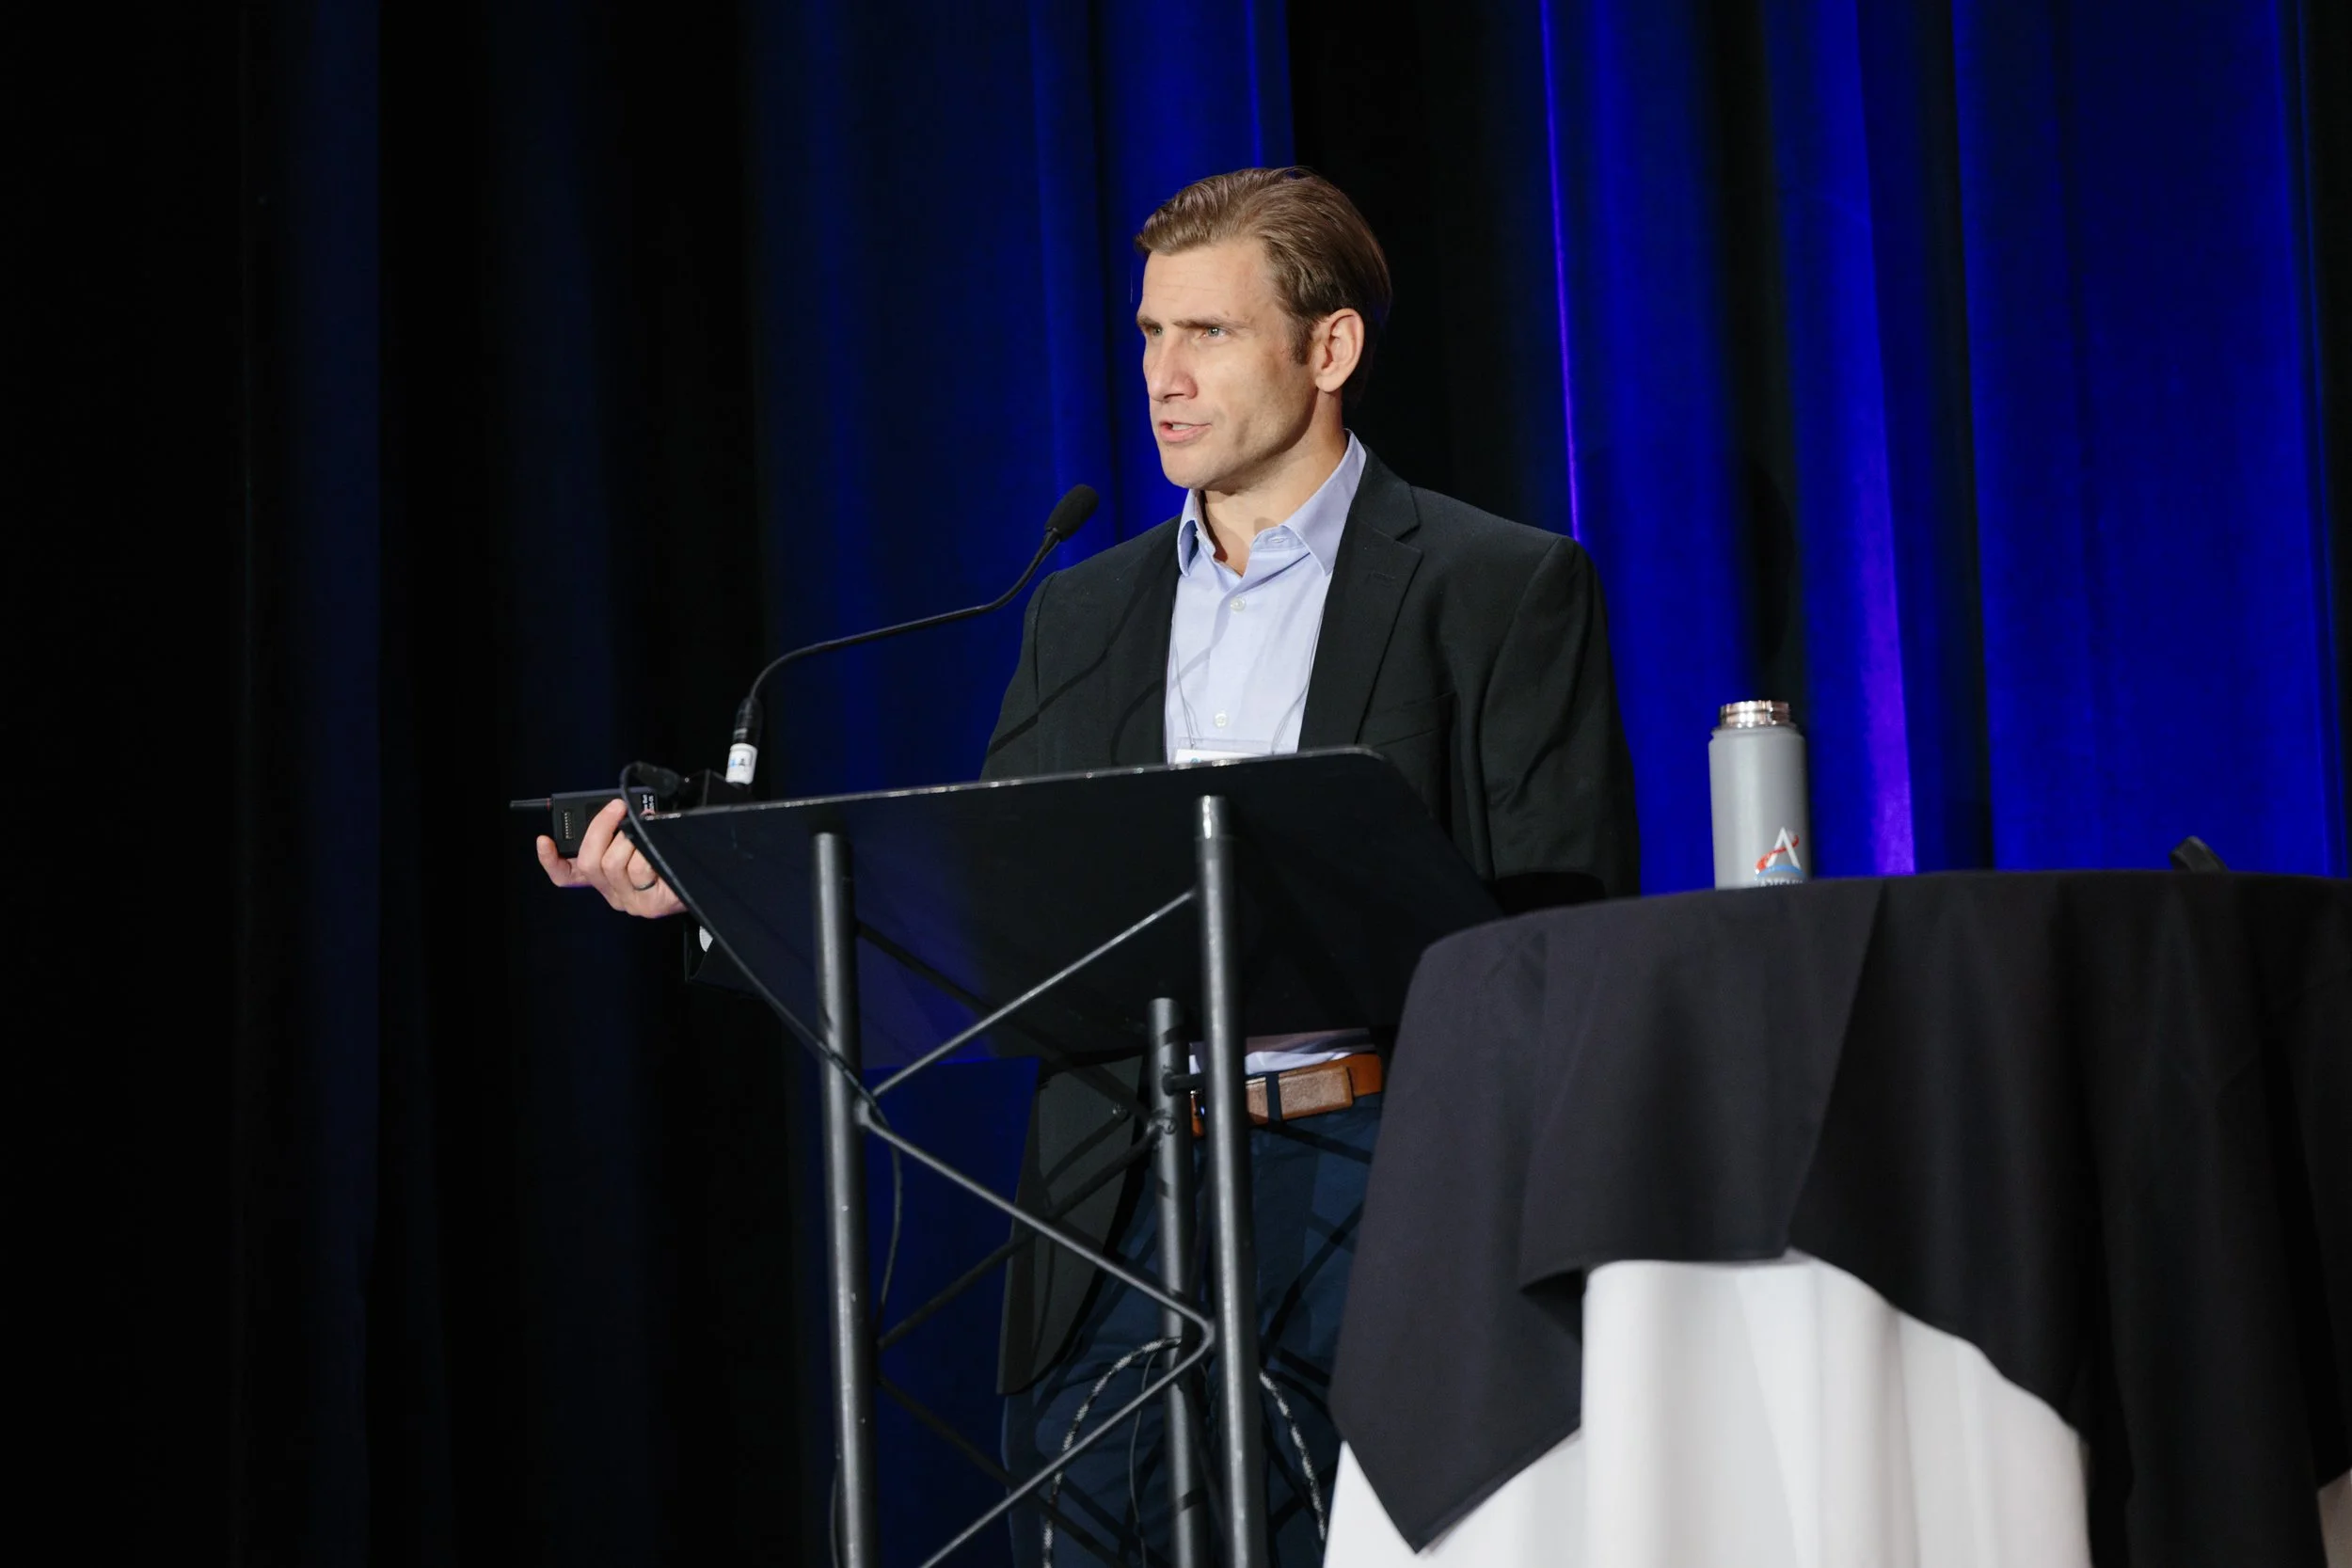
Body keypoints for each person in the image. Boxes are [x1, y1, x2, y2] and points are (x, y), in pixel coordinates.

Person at [541, 167, 1639, 1566]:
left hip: (1383, 1183)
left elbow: (1560, 924)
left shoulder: (1496, 585)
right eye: (1147, 335)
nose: (1162, 379)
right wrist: (703, 884)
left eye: (1209, 335)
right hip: (1120, 1194)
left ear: (1331, 347)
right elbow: (986, 902)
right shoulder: (1083, 610)